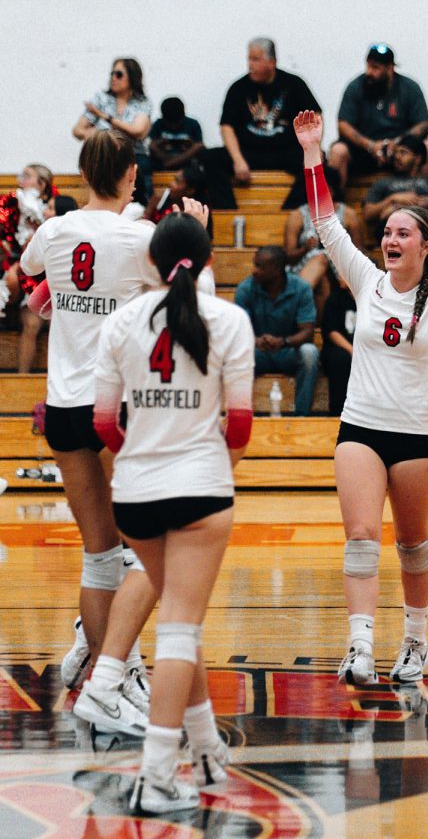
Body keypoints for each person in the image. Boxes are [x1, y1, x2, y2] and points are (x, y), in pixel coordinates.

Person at [294, 108, 428, 686]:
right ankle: (359, 647)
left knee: (413, 544)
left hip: (417, 438)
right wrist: (313, 152)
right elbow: (324, 222)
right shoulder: (365, 279)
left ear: (427, 246)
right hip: (360, 427)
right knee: (361, 536)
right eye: (386, 231)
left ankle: (415, 641)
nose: (389, 237)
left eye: (401, 232)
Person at [91, 212, 254, 812]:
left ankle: (207, 749)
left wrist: (139, 457)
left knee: (183, 623)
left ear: (152, 263)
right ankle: (157, 775)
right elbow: (238, 426)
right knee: (181, 628)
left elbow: (105, 423)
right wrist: (216, 470)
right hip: (201, 491)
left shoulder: (121, 323)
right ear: (208, 262)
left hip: (134, 494)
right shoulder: (231, 320)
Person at [20, 131, 165, 732]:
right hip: (119, 407)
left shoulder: (54, 230)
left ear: (82, 171)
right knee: (144, 551)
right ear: (131, 172)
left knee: (98, 556)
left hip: (63, 406)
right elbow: (174, 303)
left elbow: (31, 285)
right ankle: (118, 674)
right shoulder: (142, 237)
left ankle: (108, 674)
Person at [204, 38, 322, 209]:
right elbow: (226, 127)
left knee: (319, 164)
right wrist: (238, 160)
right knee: (210, 158)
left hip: (286, 152)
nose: (250, 65)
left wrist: (312, 150)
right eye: (249, 59)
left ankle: (289, 214)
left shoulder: (294, 84)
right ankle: (229, 215)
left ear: (272, 62)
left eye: (255, 59)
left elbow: (315, 117)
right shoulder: (238, 88)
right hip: (248, 153)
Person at [328, 45, 428, 187]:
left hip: (399, 151)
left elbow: (422, 124)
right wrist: (371, 146)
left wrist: (397, 143)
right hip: (364, 151)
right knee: (338, 151)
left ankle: (427, 204)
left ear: (390, 68)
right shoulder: (355, 86)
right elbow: (343, 124)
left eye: (375, 67)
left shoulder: (409, 87)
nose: (369, 72)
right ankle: (334, 206)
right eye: (368, 66)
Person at [234, 246, 320, 415]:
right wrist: (256, 341)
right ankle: (242, 414)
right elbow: (238, 330)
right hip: (258, 351)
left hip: (288, 350)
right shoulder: (246, 288)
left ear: (277, 270)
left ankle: (302, 418)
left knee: (309, 352)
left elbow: (307, 331)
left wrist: (283, 342)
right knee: (239, 353)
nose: (254, 270)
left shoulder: (301, 288)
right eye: (255, 265)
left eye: (260, 266)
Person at [284, 167, 365, 316]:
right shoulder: (297, 215)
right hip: (305, 267)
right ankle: (323, 328)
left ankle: (293, 307)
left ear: (332, 190)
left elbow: (360, 252)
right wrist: (304, 249)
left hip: (341, 267)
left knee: (326, 263)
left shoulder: (348, 215)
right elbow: (288, 257)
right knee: (321, 262)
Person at [72, 57, 152, 201]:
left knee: (139, 170)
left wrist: (104, 116)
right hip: (104, 154)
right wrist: (95, 134)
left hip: (133, 156)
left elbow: (138, 131)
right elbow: (77, 131)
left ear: (132, 77)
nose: (113, 78)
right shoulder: (101, 98)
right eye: (112, 74)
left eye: (119, 74)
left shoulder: (141, 102)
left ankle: (140, 208)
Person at [18, 194, 79, 374]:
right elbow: (27, 269)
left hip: (67, 300)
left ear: (63, 213)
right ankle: (21, 378)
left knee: (61, 323)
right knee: (31, 323)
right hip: (37, 296)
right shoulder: (38, 233)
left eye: (51, 208)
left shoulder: (76, 237)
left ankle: (61, 376)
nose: (45, 212)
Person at [362, 134, 428, 236]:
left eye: (403, 152)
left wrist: (400, 207)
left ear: (417, 158)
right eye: (395, 153)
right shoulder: (383, 182)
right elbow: (368, 214)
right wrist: (392, 199)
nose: (397, 156)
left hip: (425, 229)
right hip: (393, 231)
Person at [0, 163, 53, 322]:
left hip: (43, 262)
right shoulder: (11, 203)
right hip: (15, 257)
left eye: (27, 177)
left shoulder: (53, 207)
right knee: (10, 277)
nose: (20, 181)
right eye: (21, 176)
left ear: (41, 184)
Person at [321, 275, 357, 415]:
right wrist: (352, 350)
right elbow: (331, 331)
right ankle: (337, 413)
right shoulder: (335, 299)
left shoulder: (374, 299)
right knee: (340, 359)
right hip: (339, 349)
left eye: (345, 273)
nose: (339, 276)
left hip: (367, 351)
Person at [148, 97, 205, 172]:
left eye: (176, 122)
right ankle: (171, 163)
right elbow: (152, 146)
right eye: (169, 123)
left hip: (186, 163)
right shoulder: (158, 124)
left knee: (199, 148)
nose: (173, 127)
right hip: (164, 159)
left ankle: (171, 163)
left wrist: (190, 144)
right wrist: (160, 143)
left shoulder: (193, 124)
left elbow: (199, 146)